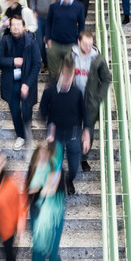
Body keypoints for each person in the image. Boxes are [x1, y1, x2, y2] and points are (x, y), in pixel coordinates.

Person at [40, 55, 91, 195]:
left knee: (74, 167)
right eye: (65, 77)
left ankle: (69, 180)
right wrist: (48, 127)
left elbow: (84, 113)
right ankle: (58, 184)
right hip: (56, 136)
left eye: (70, 77)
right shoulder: (49, 91)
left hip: (73, 134)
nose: (67, 81)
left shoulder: (77, 93)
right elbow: (42, 110)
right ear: (60, 74)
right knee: (55, 164)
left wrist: (86, 131)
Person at [28, 142, 66, 261]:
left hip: (55, 213)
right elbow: (29, 193)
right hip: (38, 215)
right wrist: (38, 186)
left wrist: (48, 185)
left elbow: (56, 191)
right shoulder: (32, 171)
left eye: (45, 155)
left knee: (53, 248)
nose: (42, 159)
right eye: (39, 157)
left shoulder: (57, 171)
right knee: (38, 253)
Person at [0, 16, 42, 151]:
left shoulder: (31, 42)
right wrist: (13, 61)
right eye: (13, 25)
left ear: (24, 27)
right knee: (15, 110)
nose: (16, 27)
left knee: (27, 110)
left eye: (18, 25)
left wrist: (27, 84)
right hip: (11, 82)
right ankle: (20, 136)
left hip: (27, 81)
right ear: (10, 28)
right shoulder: (5, 40)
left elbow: (37, 64)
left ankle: (27, 132)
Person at [72, 31, 112, 172]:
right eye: (85, 44)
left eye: (90, 44)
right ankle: (74, 155)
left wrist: (99, 97)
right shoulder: (71, 56)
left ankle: (84, 158)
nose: (88, 48)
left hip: (90, 101)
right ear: (79, 42)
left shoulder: (98, 59)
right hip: (74, 100)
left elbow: (107, 78)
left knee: (89, 130)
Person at [45, 0, 86, 82]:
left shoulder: (79, 6)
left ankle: (69, 92)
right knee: (53, 74)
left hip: (71, 45)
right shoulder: (54, 6)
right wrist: (48, 39)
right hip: (55, 44)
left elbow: (81, 25)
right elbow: (48, 23)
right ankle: (53, 90)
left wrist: (79, 41)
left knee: (70, 74)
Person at [30, 0, 55, 69]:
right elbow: (32, 0)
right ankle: (46, 62)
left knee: (52, 43)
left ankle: (53, 64)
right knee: (40, 43)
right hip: (39, 17)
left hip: (53, 18)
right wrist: (33, 12)